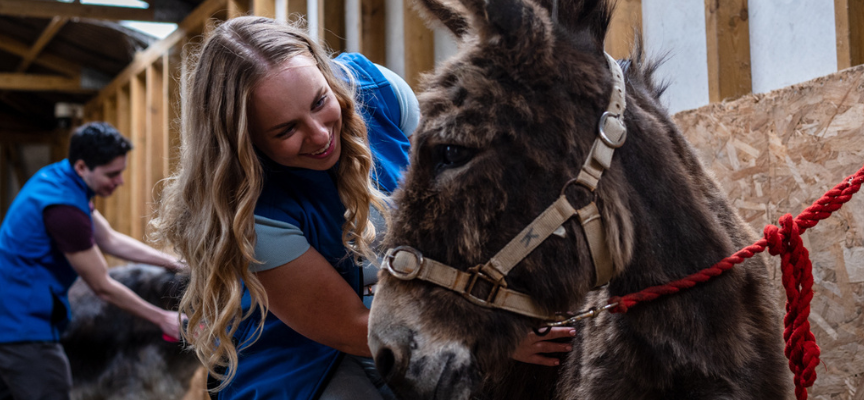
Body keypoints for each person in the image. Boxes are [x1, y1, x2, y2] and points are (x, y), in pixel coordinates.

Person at [152, 16, 574, 400]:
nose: (319, 136)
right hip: (314, 354)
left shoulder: (379, 90)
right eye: (286, 130)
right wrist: (483, 336)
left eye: (320, 102)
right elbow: (354, 327)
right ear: (246, 142)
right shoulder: (255, 210)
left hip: (420, 311)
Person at [0, 122, 186, 400]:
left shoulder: (58, 177)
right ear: (83, 167)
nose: (120, 181)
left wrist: (171, 263)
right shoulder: (65, 210)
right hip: (20, 331)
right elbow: (101, 285)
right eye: (112, 174)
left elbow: (110, 240)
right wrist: (162, 318)